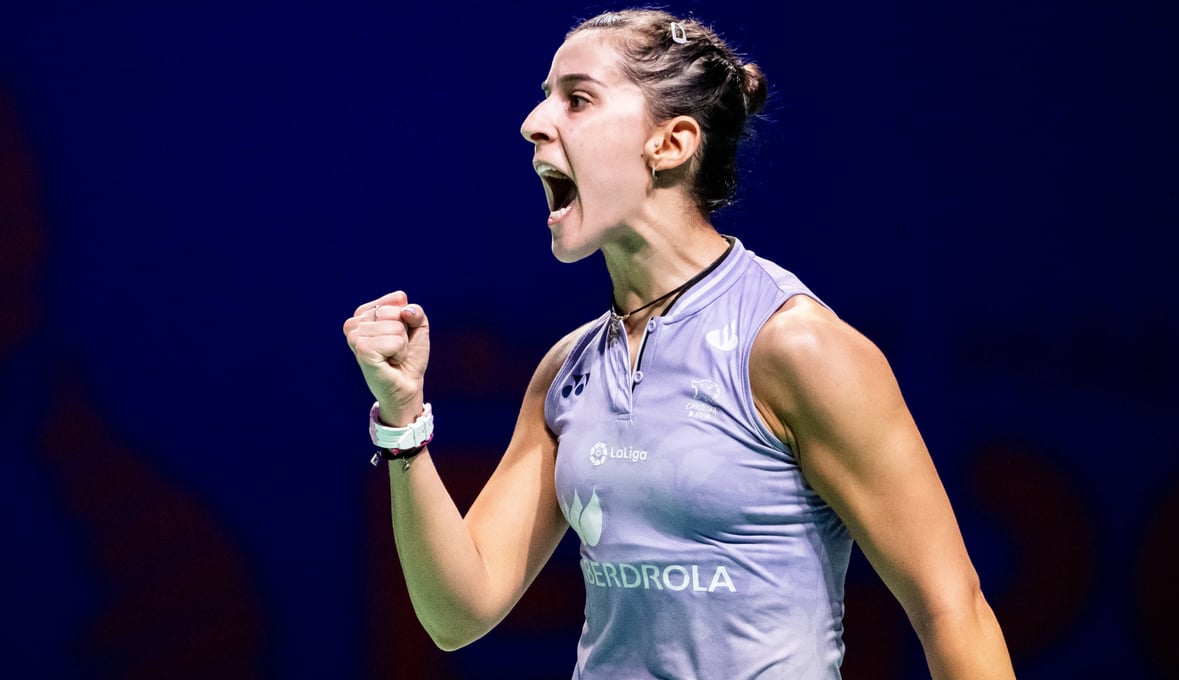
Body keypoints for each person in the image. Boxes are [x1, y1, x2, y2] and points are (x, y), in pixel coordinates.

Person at [343, 8, 1015, 679]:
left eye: (577, 99)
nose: (533, 123)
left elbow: (952, 610)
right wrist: (403, 422)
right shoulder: (565, 372)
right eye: (547, 97)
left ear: (670, 143)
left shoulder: (795, 348)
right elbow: (457, 614)